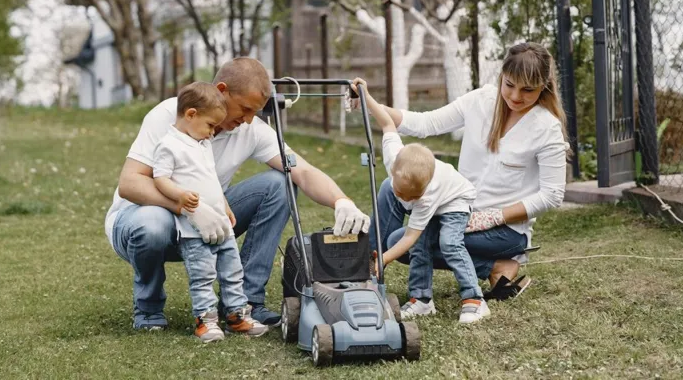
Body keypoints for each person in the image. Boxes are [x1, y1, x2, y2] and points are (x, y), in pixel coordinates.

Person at [105, 57, 371, 330]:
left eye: (254, 112)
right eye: (244, 109)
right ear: (222, 90)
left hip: (208, 226)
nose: (247, 120)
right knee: (152, 224)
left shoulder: (251, 128)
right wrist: (188, 208)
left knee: (280, 184)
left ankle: (244, 303)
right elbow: (130, 183)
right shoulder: (173, 114)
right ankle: (149, 310)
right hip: (143, 222)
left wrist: (342, 201)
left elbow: (302, 171)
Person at [367, 42, 568, 313]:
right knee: (389, 188)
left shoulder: (547, 128)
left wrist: (495, 216)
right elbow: (426, 123)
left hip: (505, 230)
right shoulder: (482, 100)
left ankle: (495, 266)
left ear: (544, 85)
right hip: (458, 210)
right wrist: (369, 105)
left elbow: (552, 195)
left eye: (528, 90)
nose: (516, 96)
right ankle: (365, 274)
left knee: (400, 243)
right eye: (509, 85)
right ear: (501, 77)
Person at [352, 79, 488, 324]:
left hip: (455, 200)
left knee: (448, 243)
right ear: (394, 173)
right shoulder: (395, 158)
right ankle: (422, 300)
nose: (405, 200)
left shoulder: (427, 197)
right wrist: (365, 94)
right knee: (421, 247)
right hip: (435, 195)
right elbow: (386, 121)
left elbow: (408, 237)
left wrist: (383, 259)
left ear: (423, 190)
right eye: (401, 194)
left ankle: (475, 299)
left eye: (413, 197)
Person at [153, 82, 267, 342]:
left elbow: (211, 179)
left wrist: (224, 205)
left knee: (233, 270)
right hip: (194, 228)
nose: (212, 133)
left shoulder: (201, 143)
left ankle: (236, 315)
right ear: (191, 114)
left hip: (220, 223)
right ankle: (205, 320)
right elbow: (160, 178)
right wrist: (180, 195)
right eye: (210, 126)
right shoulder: (169, 145)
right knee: (203, 274)